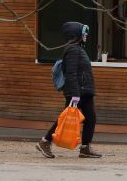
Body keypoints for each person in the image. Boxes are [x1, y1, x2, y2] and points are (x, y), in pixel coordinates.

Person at [36, 22, 102, 159]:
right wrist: (75, 93)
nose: (86, 36)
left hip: (85, 91)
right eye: (84, 34)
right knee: (65, 119)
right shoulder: (72, 50)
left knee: (91, 118)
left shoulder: (78, 49)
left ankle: (85, 148)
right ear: (76, 35)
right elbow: (70, 73)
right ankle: (45, 142)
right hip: (77, 92)